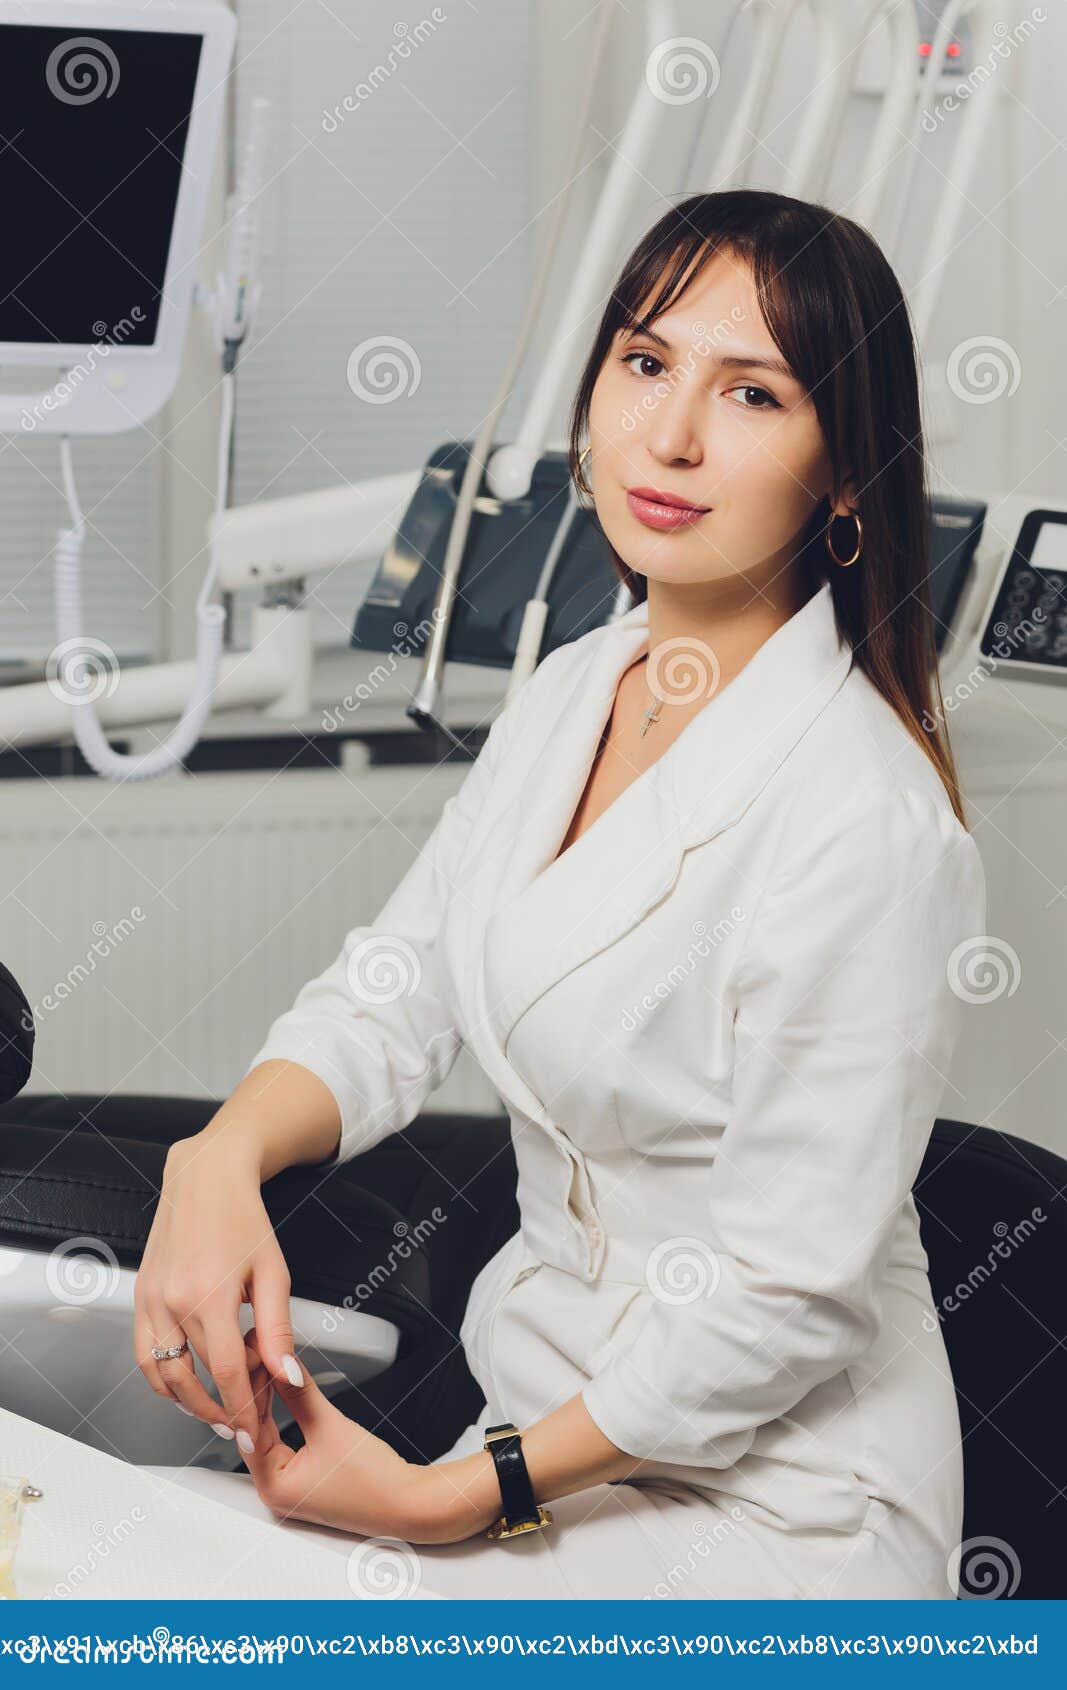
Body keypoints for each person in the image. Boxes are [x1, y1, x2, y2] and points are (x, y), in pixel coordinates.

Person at [136, 189, 986, 1600]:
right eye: (645, 362)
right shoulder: (578, 687)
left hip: (781, 1515)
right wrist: (216, 1161)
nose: (673, 434)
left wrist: (452, 1495)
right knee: (101, 1539)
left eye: (754, 393)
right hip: (543, 1440)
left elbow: (785, 1296)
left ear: (846, 473)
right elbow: (394, 992)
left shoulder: (870, 821)